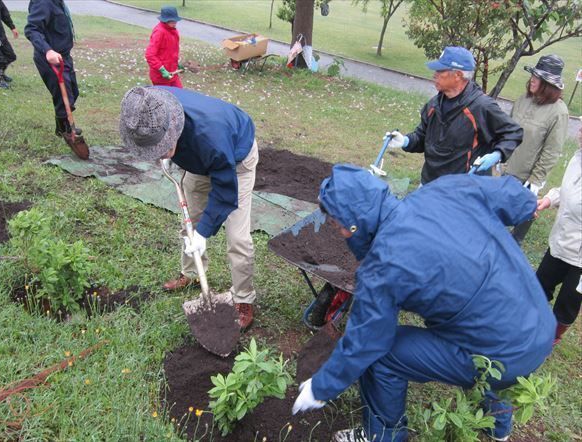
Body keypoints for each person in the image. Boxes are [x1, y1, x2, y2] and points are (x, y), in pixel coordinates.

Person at [292, 164, 555, 442]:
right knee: (486, 328)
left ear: (354, 224)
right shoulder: (443, 190)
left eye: (336, 225)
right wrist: (526, 204)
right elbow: (510, 193)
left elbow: (367, 342)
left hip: (501, 354)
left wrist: (320, 388)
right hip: (538, 324)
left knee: (383, 357)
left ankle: (383, 435)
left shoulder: (382, 266)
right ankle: (497, 427)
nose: (339, 233)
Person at [119, 86, 258, 330]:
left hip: (235, 159)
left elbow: (225, 192)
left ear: (173, 132)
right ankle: (192, 274)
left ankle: (243, 298)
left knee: (238, 239)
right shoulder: (149, 108)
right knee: (189, 223)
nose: (159, 155)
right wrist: (197, 230)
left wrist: (204, 233)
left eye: (162, 148)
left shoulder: (211, 138)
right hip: (199, 160)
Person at [386, 46, 523, 185]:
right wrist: (405, 141)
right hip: (429, 183)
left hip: (461, 190)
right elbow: (422, 137)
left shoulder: (481, 106)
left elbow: (513, 132)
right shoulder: (433, 105)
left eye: (440, 71)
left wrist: (497, 154)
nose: (435, 74)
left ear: (458, 75)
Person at [505, 55, 569, 244]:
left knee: (515, 236)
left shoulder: (559, 111)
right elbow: (508, 129)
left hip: (526, 179)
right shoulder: (523, 99)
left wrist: (534, 182)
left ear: (548, 84)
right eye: (533, 74)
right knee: (493, 222)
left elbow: (551, 152)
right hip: (506, 171)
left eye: (538, 77)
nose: (532, 79)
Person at [535, 121, 581, 345]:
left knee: (568, 301)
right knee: (540, 284)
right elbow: (566, 191)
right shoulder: (577, 158)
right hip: (561, 240)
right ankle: (534, 325)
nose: (581, 135)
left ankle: (551, 338)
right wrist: (548, 199)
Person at [24, 0, 83, 139]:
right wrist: (48, 50)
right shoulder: (43, 2)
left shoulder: (58, 2)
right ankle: (65, 130)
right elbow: (32, 29)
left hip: (63, 56)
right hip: (50, 57)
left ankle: (62, 126)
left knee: (73, 92)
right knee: (64, 98)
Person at [145, 6, 183, 88]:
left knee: (180, 94)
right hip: (161, 76)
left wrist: (176, 63)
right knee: (166, 99)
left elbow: (170, 50)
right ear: (165, 20)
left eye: (175, 20)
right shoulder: (159, 32)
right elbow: (150, 55)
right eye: (172, 21)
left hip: (172, 72)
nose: (175, 23)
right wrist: (161, 69)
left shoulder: (173, 30)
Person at [0, 0, 18, 89]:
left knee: (11, 56)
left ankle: (1, 74)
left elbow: (4, 12)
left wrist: (12, 27)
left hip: (0, 34)